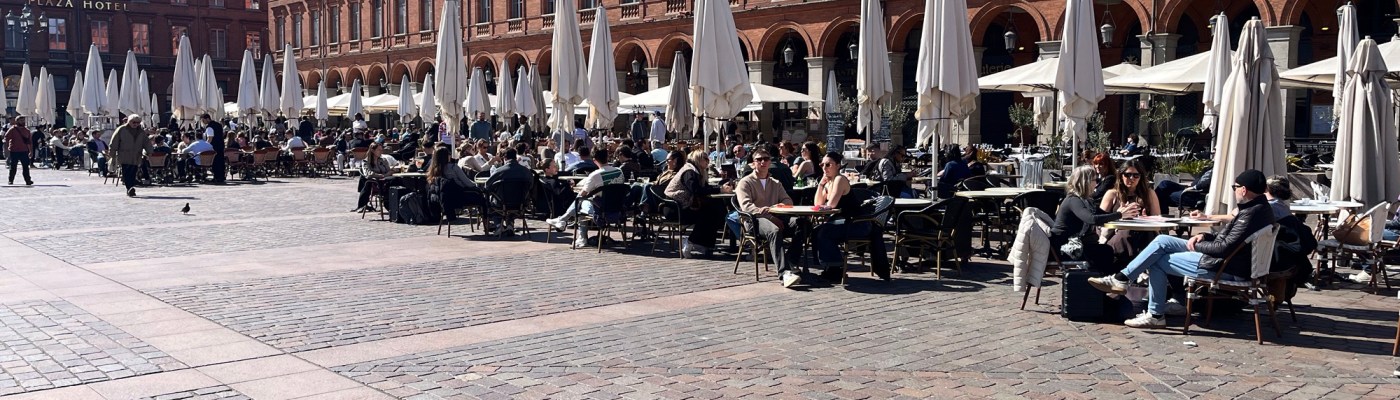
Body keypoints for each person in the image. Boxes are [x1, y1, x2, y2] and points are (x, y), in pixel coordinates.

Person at [1088, 169, 1276, 329]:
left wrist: (1198, 245)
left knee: (1157, 260)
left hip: (1224, 267)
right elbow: (1229, 241)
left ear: (1243, 190)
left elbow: (1223, 248)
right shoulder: (1259, 208)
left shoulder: (1249, 214)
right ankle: (1122, 279)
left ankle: (1154, 313)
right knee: (1162, 240)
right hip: (1230, 262)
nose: (1234, 191)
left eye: (1235, 188)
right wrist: (1205, 236)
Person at [810, 151, 893, 281]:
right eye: (822, 165)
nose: (824, 168)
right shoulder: (829, 182)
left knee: (824, 232)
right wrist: (820, 185)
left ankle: (836, 269)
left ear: (838, 165)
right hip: (846, 222)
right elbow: (818, 203)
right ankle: (830, 267)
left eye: (828, 165)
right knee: (817, 231)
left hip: (859, 224)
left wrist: (825, 203)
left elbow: (831, 205)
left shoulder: (840, 179)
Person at [734, 148, 807, 288]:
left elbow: (788, 201)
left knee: (803, 223)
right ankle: (784, 273)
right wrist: (770, 216)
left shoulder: (775, 183)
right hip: (754, 221)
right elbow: (747, 207)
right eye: (759, 159)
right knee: (774, 230)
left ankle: (791, 260)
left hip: (777, 216)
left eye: (766, 159)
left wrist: (779, 206)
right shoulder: (745, 182)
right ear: (753, 163)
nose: (763, 162)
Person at [1051, 166, 1140, 273]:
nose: (1097, 184)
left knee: (1108, 252)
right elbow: (1092, 219)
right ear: (1085, 182)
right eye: (1095, 180)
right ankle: (1109, 279)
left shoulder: (1086, 200)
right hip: (1065, 248)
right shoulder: (1073, 200)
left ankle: (1114, 278)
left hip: (1077, 244)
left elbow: (1102, 215)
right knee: (1105, 252)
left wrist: (1121, 213)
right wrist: (1119, 215)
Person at [544, 148, 625, 248]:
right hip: (618, 208)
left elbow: (582, 194)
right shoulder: (619, 171)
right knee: (583, 202)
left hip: (601, 211)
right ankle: (563, 220)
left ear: (594, 160)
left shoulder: (595, 175)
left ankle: (578, 235)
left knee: (580, 202)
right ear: (607, 157)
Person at [665, 150, 733, 258]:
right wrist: (720, 189)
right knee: (710, 213)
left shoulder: (697, 171)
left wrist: (720, 188)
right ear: (698, 159)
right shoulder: (689, 172)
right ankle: (691, 241)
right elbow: (696, 190)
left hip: (685, 205)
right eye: (705, 159)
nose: (708, 161)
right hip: (675, 209)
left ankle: (704, 244)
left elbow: (705, 187)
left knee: (716, 208)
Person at [1099, 159, 1162, 263]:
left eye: (1136, 175)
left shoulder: (1149, 194)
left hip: (1144, 232)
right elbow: (1099, 220)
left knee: (1147, 235)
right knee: (1126, 234)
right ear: (1121, 176)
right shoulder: (1112, 194)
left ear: (1141, 177)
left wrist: (1147, 219)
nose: (1131, 178)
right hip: (1118, 234)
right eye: (1127, 175)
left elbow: (1158, 219)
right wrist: (1117, 215)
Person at [425, 146, 488, 227]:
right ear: (446, 156)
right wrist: (477, 185)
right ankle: (486, 223)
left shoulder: (433, 171)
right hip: (459, 196)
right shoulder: (453, 167)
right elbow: (467, 183)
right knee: (482, 199)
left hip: (444, 200)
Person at [109, 115, 151, 197]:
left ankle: (131, 187)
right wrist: (112, 152)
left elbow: (146, 142)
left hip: (136, 155)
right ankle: (129, 188)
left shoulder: (141, 132)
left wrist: (149, 152)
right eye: (134, 122)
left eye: (138, 123)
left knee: (133, 172)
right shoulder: (121, 129)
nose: (136, 124)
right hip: (124, 154)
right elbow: (114, 141)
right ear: (129, 121)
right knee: (126, 171)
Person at [353, 143, 394, 212]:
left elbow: (388, 171)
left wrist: (391, 172)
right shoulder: (366, 162)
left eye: (381, 150)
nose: (381, 152)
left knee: (398, 181)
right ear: (372, 150)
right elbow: (369, 174)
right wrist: (383, 175)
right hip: (376, 183)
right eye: (379, 150)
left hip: (386, 181)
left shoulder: (383, 160)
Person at [5, 116, 33, 185]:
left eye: (23, 120)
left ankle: (28, 180)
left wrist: (30, 151)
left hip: (24, 151)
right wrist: (7, 148)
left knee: (26, 166)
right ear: (17, 121)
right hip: (14, 150)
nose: (23, 122)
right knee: (13, 166)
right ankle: (11, 180)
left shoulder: (27, 130)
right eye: (21, 120)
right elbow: (6, 138)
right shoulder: (12, 129)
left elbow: (29, 142)